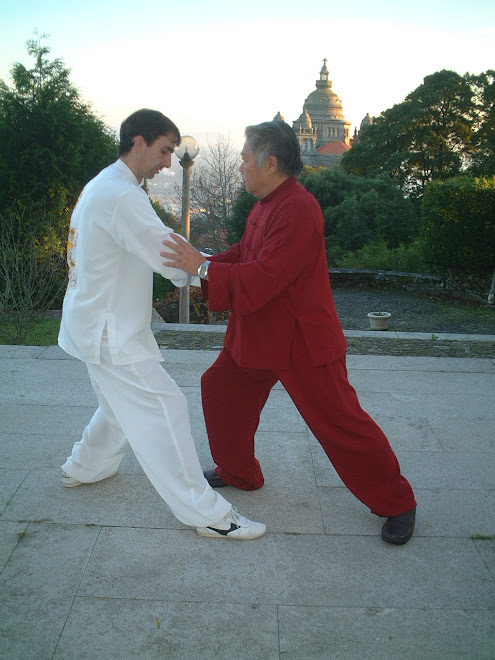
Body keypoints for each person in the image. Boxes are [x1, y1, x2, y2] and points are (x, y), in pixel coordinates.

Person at [161, 119, 417, 545]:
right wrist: (201, 261)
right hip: (260, 330)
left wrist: (201, 267)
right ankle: (239, 471)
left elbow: (263, 276)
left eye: (245, 160)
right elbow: (244, 253)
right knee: (221, 388)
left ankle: (397, 501)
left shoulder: (298, 208)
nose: (241, 167)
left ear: (271, 162)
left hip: (301, 339)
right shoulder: (265, 204)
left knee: (340, 422)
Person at [57, 109, 265, 541]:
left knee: (117, 408)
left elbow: (160, 248)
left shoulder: (106, 184)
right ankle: (207, 514)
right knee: (165, 406)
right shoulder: (122, 197)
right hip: (110, 331)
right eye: (165, 150)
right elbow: (169, 255)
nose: (169, 162)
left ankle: (85, 466)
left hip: (90, 321)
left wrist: (219, 265)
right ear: (138, 142)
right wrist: (218, 272)